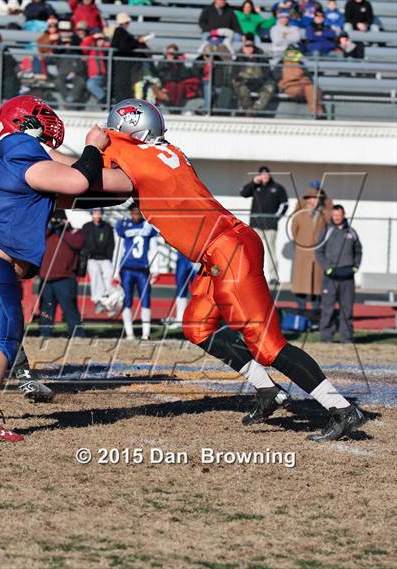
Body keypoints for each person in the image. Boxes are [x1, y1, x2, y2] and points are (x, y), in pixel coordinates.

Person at [94, 98, 365, 442]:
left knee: (268, 346)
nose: (111, 136)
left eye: (116, 130)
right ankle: (268, 390)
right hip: (220, 247)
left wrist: (80, 153)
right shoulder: (163, 151)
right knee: (197, 326)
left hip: (227, 248)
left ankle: (341, 409)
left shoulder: (136, 156)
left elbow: (90, 181)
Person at [0, 96, 109, 442]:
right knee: (2, 334)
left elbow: (74, 188)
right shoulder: (17, 147)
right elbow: (78, 183)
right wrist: (93, 148)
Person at [316, 205, 362, 343]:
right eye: (334, 215)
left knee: (346, 309)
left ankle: (346, 338)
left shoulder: (351, 232)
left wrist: (355, 266)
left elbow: (358, 251)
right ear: (332, 215)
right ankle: (326, 337)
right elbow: (318, 251)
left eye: (339, 215)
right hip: (330, 278)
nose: (337, 217)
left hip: (347, 278)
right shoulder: (326, 231)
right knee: (327, 309)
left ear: (343, 215)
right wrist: (327, 267)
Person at [39, 210, 85, 337]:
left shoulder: (74, 232)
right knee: (46, 309)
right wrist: (50, 226)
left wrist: (64, 229)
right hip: (46, 278)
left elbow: (78, 243)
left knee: (70, 308)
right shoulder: (47, 234)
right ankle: (45, 333)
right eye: (55, 220)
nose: (57, 222)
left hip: (65, 278)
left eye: (60, 220)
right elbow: (37, 238)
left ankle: (77, 334)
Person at [116, 204, 159, 341]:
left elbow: (153, 249)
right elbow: (118, 248)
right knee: (126, 300)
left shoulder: (148, 226)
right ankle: (129, 333)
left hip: (142, 269)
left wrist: (155, 269)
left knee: (145, 300)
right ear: (130, 213)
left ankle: (146, 333)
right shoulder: (123, 225)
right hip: (127, 268)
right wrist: (115, 270)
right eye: (133, 213)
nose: (136, 215)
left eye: (138, 213)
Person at [240, 166, 288, 285]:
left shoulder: (277, 188)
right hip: (255, 225)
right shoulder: (255, 187)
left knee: (271, 251)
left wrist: (274, 219)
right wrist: (253, 182)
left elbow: (284, 205)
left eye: (266, 174)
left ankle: (273, 277)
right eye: (262, 174)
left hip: (270, 227)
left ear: (270, 175)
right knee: (251, 250)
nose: (264, 176)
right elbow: (243, 193)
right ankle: (249, 273)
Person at [290, 181, 332, 312]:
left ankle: (315, 312)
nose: (315, 201)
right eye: (312, 198)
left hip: (317, 253)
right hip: (302, 253)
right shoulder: (299, 215)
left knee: (316, 285)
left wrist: (322, 192)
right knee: (300, 284)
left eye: (317, 198)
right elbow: (294, 231)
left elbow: (331, 210)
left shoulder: (325, 214)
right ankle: (301, 310)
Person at [82, 208, 116, 315]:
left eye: (99, 213)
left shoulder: (107, 227)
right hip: (92, 258)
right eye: (95, 213)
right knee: (95, 275)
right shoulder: (86, 227)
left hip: (105, 258)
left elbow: (111, 244)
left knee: (109, 275)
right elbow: (83, 242)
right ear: (91, 214)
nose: (97, 215)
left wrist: (109, 257)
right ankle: (98, 301)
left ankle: (109, 303)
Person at [110, 12, 148, 102]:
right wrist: (137, 42)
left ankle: (123, 101)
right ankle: (122, 102)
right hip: (122, 63)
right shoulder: (120, 31)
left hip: (123, 62)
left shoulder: (121, 32)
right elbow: (123, 46)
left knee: (124, 83)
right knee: (123, 83)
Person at [277, 46, 324, 116]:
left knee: (312, 90)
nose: (292, 55)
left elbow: (309, 77)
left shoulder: (301, 64)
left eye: (294, 53)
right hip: (290, 85)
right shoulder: (280, 64)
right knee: (297, 90)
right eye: (290, 53)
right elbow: (277, 77)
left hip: (304, 84)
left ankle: (318, 113)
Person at [232, 40, 275, 115]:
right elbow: (234, 75)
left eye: (250, 47)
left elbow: (267, 74)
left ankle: (256, 109)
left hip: (259, 82)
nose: (248, 49)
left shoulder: (262, 59)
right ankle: (248, 110)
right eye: (246, 47)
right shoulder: (238, 60)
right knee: (241, 89)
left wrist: (259, 80)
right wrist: (244, 80)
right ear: (243, 48)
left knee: (270, 87)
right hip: (244, 82)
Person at [169, 252, 197, 329]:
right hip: (182, 257)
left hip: (197, 257)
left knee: (199, 290)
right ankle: (180, 319)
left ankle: (200, 318)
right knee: (180, 289)